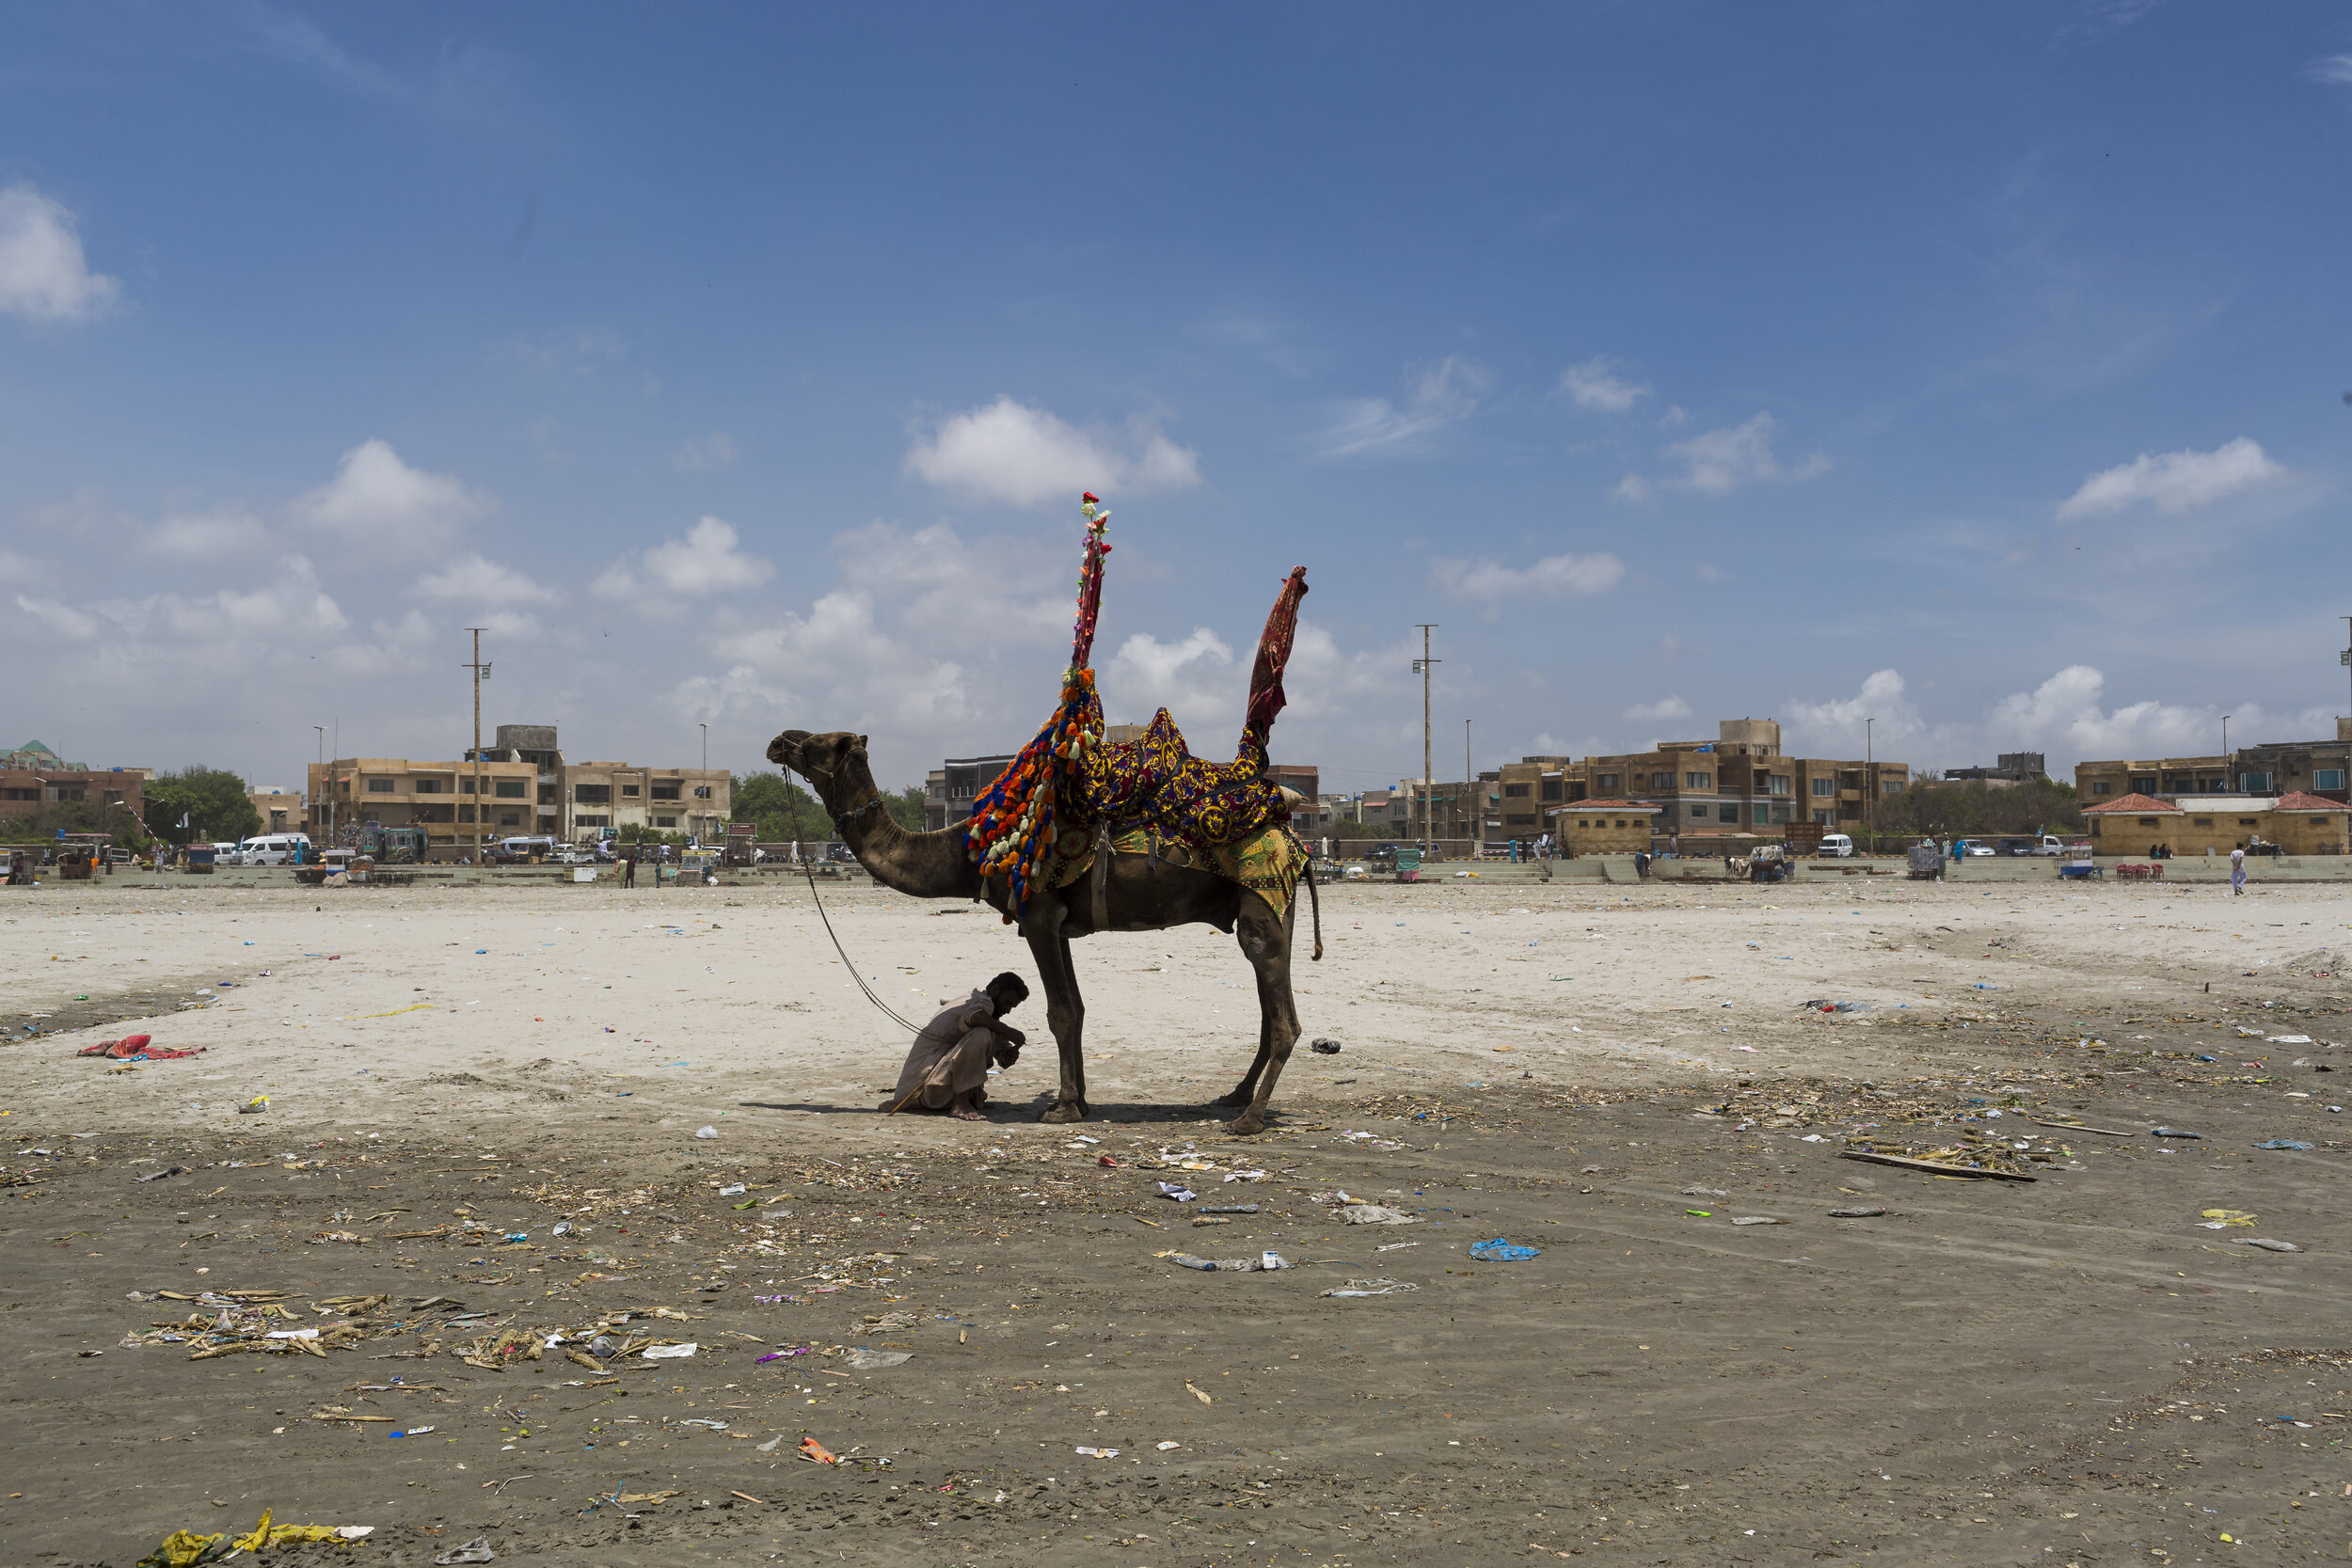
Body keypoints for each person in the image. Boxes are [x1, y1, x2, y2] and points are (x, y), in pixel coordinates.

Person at [884, 973, 1029, 1119]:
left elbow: (1001, 1053)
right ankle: (961, 1103)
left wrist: (1007, 1056)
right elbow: (975, 1017)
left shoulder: (987, 1014)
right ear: (995, 990)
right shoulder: (981, 1002)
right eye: (1007, 1002)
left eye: (1012, 1006)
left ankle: (968, 1099)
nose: (1008, 1010)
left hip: (931, 1092)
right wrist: (1008, 1030)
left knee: (984, 1032)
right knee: (981, 1034)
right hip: (921, 1091)